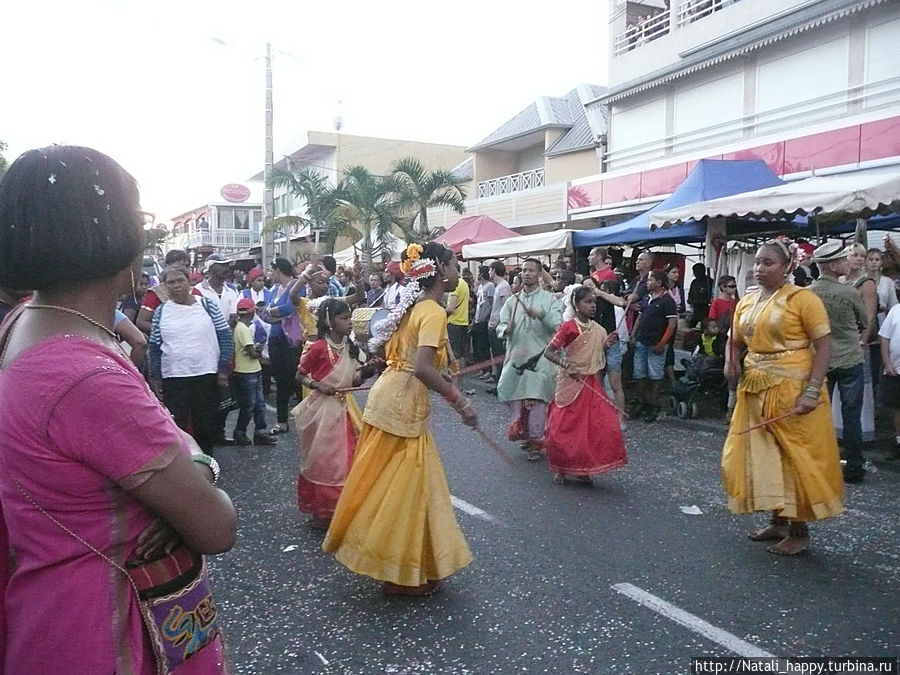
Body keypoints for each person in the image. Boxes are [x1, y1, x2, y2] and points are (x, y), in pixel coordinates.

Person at [0, 145, 235, 673]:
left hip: (51, 604)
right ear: (109, 233)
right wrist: (196, 470)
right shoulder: (84, 376)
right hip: (107, 630)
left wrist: (185, 471)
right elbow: (217, 525)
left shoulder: (28, 321)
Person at [323, 242, 478, 597]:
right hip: (401, 407)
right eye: (455, 266)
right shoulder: (434, 312)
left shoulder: (414, 306)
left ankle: (418, 565)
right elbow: (422, 367)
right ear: (440, 269)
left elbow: (411, 361)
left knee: (410, 488)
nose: (458, 272)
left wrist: (444, 376)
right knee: (402, 492)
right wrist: (460, 402)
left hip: (391, 400)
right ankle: (397, 572)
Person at [722, 238, 843, 556]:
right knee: (762, 455)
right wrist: (730, 360)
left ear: (788, 266)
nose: (759, 269)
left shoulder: (802, 299)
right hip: (753, 387)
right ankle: (777, 519)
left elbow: (825, 345)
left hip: (793, 390)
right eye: (758, 263)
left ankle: (799, 530)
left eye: (768, 263)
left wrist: (812, 391)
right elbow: (734, 339)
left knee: (793, 457)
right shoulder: (746, 301)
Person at [293, 299, 372, 530]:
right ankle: (323, 512)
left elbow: (354, 381)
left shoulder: (351, 347)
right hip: (321, 412)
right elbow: (299, 375)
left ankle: (344, 509)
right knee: (324, 462)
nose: (349, 323)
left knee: (347, 459)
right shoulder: (318, 348)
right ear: (330, 321)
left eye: (349, 318)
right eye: (344, 318)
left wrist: (367, 372)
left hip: (343, 409)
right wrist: (319, 386)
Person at [543, 285, 627, 485]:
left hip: (590, 382)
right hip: (570, 383)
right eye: (587, 302)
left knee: (592, 428)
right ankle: (561, 467)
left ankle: (584, 467)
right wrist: (567, 365)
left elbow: (595, 350)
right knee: (563, 427)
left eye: (594, 302)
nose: (593, 306)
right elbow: (549, 352)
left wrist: (606, 343)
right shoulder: (568, 327)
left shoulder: (598, 329)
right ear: (576, 304)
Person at [149, 264, 234, 455]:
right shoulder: (161, 312)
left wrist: (222, 370)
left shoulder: (207, 305)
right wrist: (156, 377)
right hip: (174, 378)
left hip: (205, 375)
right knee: (176, 426)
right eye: (170, 282)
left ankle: (207, 466)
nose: (176, 285)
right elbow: (154, 347)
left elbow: (225, 337)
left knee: (205, 425)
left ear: (189, 282)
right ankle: (183, 468)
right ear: (164, 286)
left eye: (181, 280)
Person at [810, 242, 869, 483]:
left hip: (819, 361)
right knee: (851, 415)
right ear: (833, 266)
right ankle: (854, 466)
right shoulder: (850, 292)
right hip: (849, 360)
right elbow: (864, 321)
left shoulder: (808, 292)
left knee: (818, 414)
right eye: (844, 259)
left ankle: (816, 463)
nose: (848, 262)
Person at [496, 258, 564, 460]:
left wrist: (541, 314)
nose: (527, 274)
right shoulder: (512, 301)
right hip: (516, 357)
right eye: (524, 270)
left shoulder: (549, 300)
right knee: (511, 393)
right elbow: (500, 325)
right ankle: (525, 433)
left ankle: (537, 441)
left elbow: (558, 326)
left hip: (541, 358)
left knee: (535, 399)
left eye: (531, 270)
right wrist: (505, 329)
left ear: (539, 273)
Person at [835, 242, 877, 451]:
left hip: (855, 339)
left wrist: (863, 338)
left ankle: (861, 434)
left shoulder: (866, 283)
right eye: (855, 255)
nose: (859, 259)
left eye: (862, 256)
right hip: (838, 340)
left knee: (858, 389)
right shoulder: (840, 280)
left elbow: (869, 314)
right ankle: (838, 430)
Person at [630, 269, 677, 422]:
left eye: (650, 280)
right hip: (641, 342)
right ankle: (642, 401)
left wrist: (663, 343)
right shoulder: (647, 298)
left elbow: (672, 324)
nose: (648, 283)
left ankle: (653, 404)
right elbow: (640, 317)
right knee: (639, 374)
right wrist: (633, 335)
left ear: (658, 282)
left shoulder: (667, 301)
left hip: (656, 343)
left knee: (655, 375)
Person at [231, 298, 277, 446]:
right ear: (251, 313)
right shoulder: (243, 329)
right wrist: (260, 354)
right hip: (247, 371)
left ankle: (257, 432)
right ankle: (242, 431)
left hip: (250, 369)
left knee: (257, 404)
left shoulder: (241, 327)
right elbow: (251, 352)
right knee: (251, 404)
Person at [135, 248, 199, 333]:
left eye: (186, 266)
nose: (183, 269)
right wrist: (167, 331)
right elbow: (141, 322)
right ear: (166, 266)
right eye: (178, 265)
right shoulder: (156, 293)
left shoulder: (196, 293)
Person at [865, 247, 898, 387]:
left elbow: (894, 306)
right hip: (866, 324)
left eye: (877, 259)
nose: (873, 263)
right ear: (866, 262)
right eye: (871, 259)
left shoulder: (887, 282)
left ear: (881, 263)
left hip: (882, 322)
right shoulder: (862, 281)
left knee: (879, 360)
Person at [878, 301, 900, 461]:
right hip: (896, 369)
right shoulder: (896, 310)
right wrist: (887, 363)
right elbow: (884, 339)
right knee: (897, 410)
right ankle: (899, 443)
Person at [196, 253, 240, 326]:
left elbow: (234, 317)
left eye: (227, 266)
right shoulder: (198, 290)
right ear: (210, 268)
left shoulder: (231, 292)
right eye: (222, 266)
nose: (226, 269)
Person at [487, 260, 512, 385]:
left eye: (490, 269)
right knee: (496, 356)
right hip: (494, 326)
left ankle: (501, 385)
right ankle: (498, 383)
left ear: (495, 270)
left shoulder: (503, 287)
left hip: (498, 327)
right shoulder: (499, 286)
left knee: (500, 357)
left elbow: (506, 307)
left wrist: (500, 324)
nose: (488, 272)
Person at [471, 265, 494, 378]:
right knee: (478, 346)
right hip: (478, 318)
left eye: (479, 272)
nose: (477, 274)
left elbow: (491, 303)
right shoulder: (480, 286)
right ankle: (482, 369)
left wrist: (486, 317)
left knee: (484, 346)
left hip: (484, 320)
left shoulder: (490, 286)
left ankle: (488, 370)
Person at [445, 274, 470, 368]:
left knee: (454, 355)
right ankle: (460, 380)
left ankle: (454, 380)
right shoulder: (464, 284)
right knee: (462, 354)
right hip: (464, 321)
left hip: (454, 323)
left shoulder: (455, 285)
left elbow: (451, 308)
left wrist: (441, 312)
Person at [687, 262, 712, 327]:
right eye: (694, 272)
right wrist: (690, 300)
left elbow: (711, 297)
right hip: (696, 310)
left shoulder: (710, 282)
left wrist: (701, 302)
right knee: (692, 326)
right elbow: (690, 294)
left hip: (706, 310)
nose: (695, 274)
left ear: (703, 271)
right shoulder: (694, 282)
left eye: (697, 272)